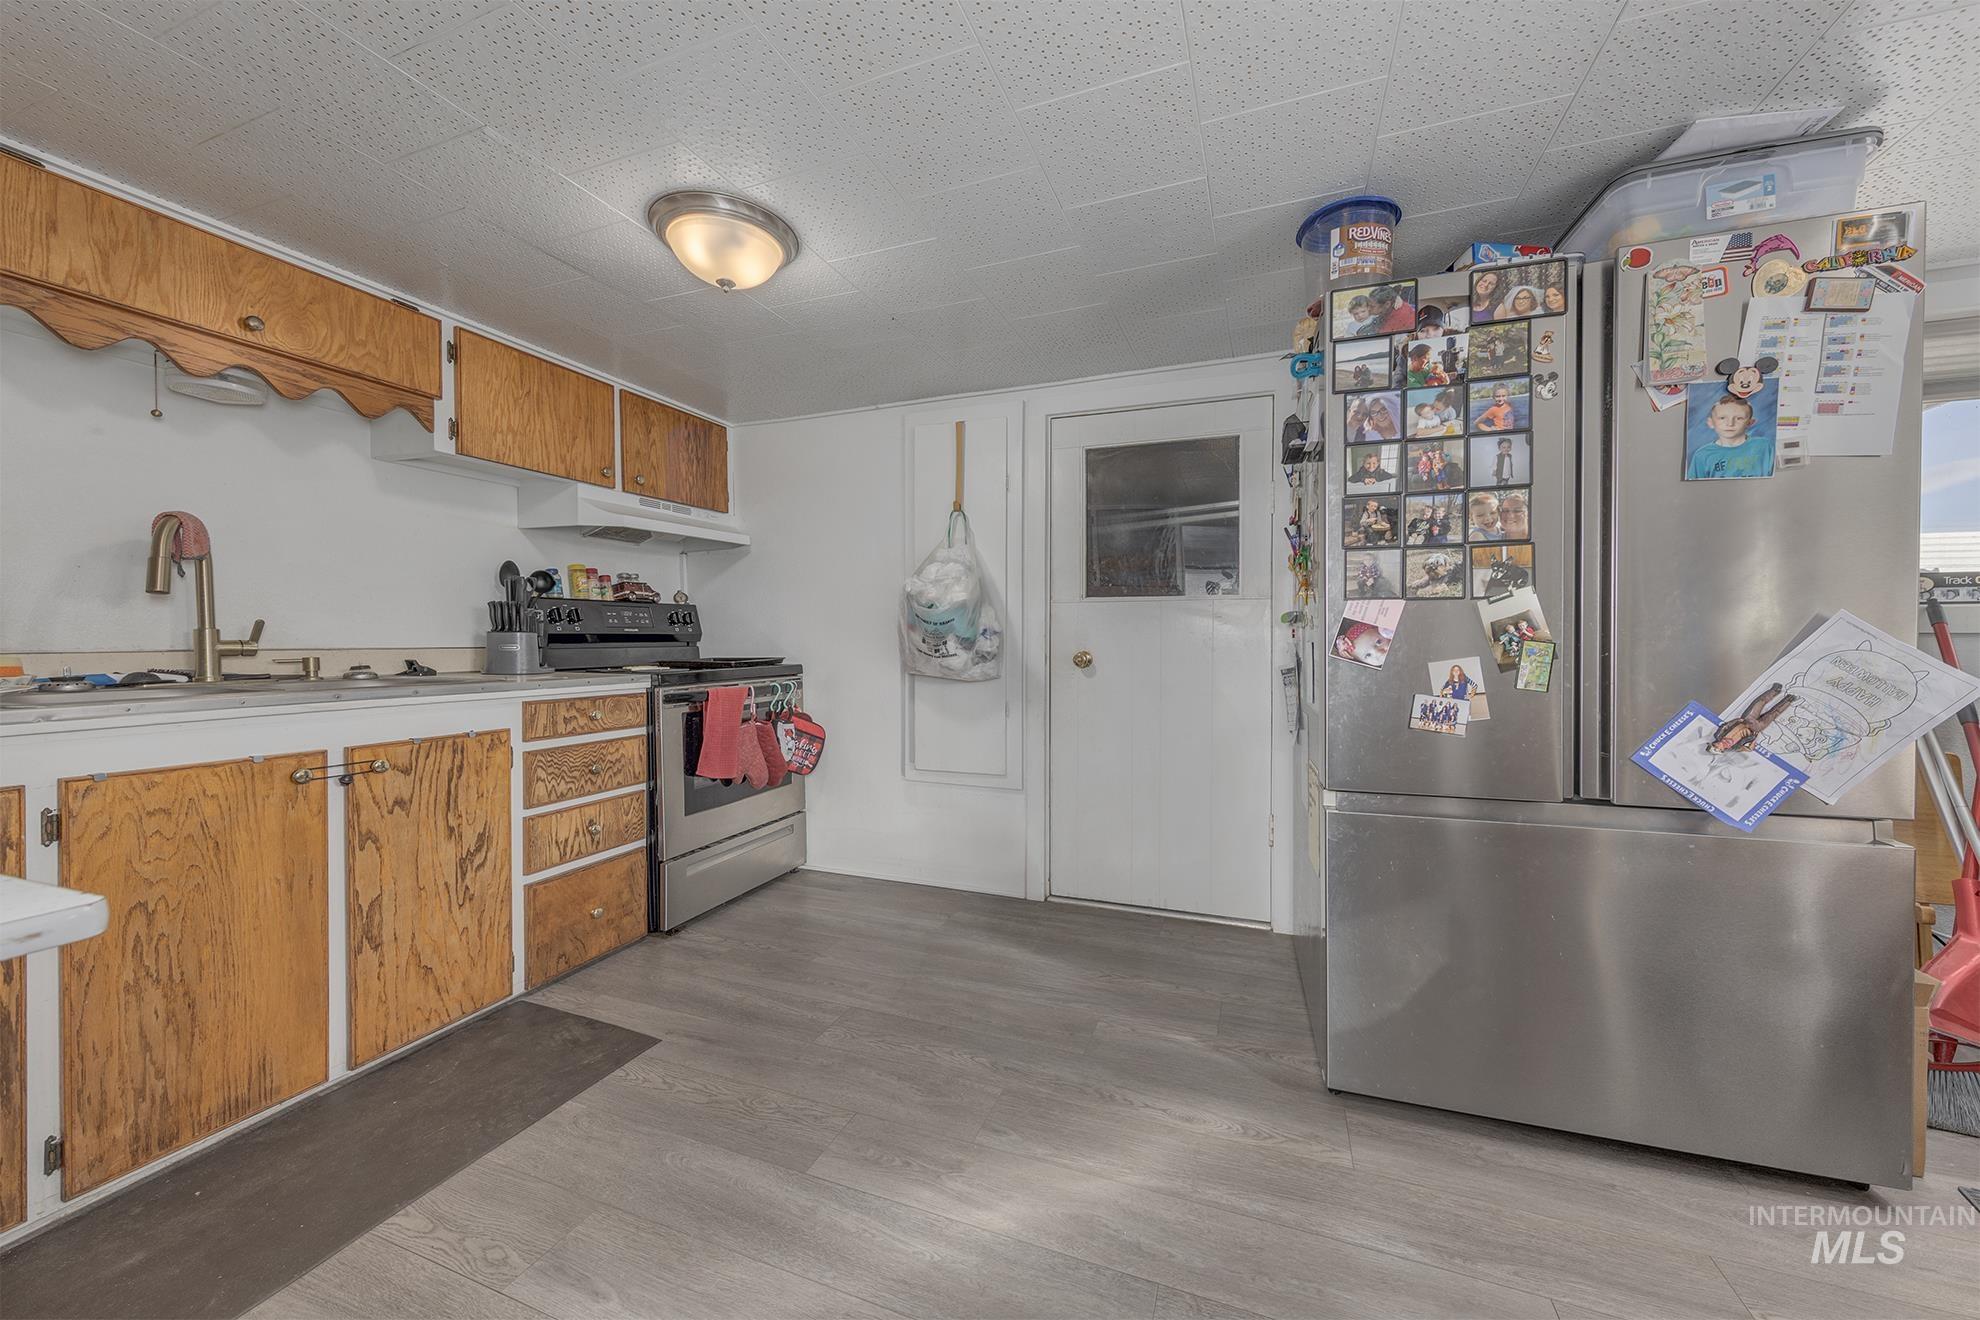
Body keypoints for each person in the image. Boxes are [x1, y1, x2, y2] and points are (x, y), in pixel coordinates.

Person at [1686, 393, 1771, 479]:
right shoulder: (1702, 454)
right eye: (1722, 418)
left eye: (1739, 418)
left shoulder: (1764, 446)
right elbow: (1694, 485)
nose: (1730, 424)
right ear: (1710, 423)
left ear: (1750, 423)